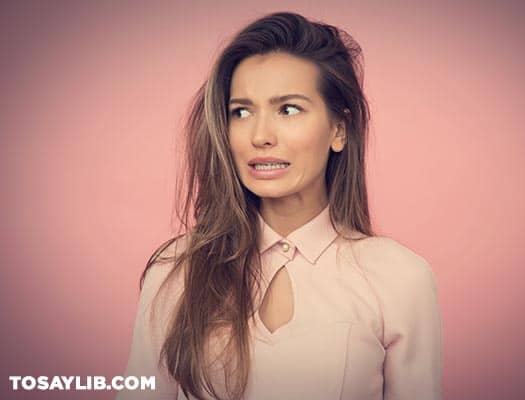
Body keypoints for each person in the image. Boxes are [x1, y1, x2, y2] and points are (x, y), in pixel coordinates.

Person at [116, 11, 443, 400]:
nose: (260, 135)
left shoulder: (400, 277)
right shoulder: (177, 271)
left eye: (288, 109)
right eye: (241, 111)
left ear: (339, 129)